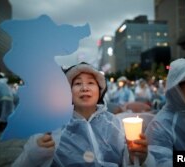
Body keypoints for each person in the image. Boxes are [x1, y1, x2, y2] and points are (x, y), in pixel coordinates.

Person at [12, 62, 155, 167]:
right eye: (78, 83)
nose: (85, 88)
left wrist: (138, 157)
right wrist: (35, 154)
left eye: (91, 83)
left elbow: (128, 160)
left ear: (100, 91)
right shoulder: (51, 126)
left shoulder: (115, 124)